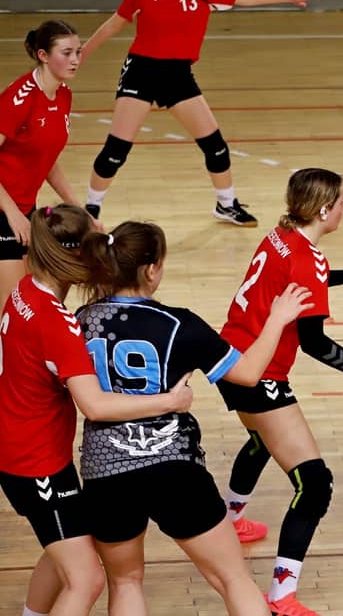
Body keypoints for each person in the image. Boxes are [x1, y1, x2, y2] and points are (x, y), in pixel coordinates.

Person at [75, 220, 314, 616]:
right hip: (174, 470)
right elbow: (248, 374)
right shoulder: (179, 324)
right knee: (232, 578)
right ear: (151, 269)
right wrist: (277, 318)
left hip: (106, 473)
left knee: (125, 581)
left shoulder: (80, 320)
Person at [218, 168, 343, 616]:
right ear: (324, 210)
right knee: (314, 484)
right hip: (262, 374)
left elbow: (295, 277)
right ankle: (281, 597)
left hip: (231, 360)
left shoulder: (280, 235)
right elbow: (314, 344)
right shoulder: (308, 260)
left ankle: (232, 520)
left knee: (261, 440)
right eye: (342, 200)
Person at [0, 205, 192, 616]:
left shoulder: (25, 290)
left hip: (21, 444)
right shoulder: (58, 323)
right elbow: (96, 406)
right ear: (75, 256)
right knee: (86, 580)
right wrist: (169, 402)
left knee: (66, 547)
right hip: (35, 463)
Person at [78, 0, 324, 227]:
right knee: (116, 149)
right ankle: (91, 208)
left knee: (215, 146)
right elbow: (113, 25)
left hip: (178, 74)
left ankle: (226, 204)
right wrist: (82, 53)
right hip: (142, 72)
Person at [0, 21, 96, 301]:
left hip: (24, 209)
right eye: (66, 53)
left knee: (35, 297)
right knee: (14, 305)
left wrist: (80, 210)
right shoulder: (18, 99)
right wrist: (12, 213)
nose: (75, 60)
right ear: (43, 55)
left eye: (78, 52)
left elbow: (45, 158)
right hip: (5, 209)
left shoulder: (63, 94)